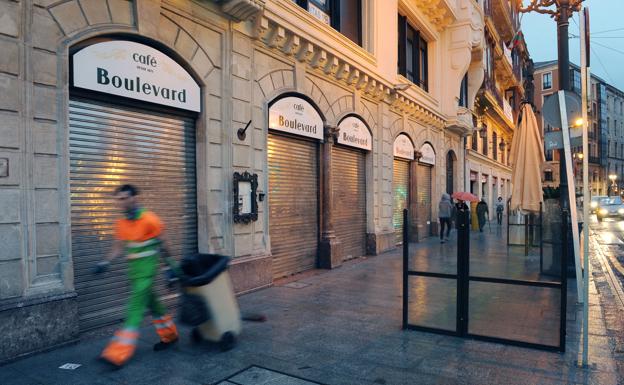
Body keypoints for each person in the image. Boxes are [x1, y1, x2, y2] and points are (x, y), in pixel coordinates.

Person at [93, 184, 179, 367]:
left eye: (124, 198)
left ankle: (117, 354)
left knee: (134, 310)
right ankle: (170, 335)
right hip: (134, 274)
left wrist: (170, 269)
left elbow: (164, 244)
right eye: (118, 200)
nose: (121, 203)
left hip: (147, 274)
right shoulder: (122, 223)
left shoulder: (150, 219)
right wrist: (105, 262)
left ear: (134, 198)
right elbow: (118, 246)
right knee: (155, 306)